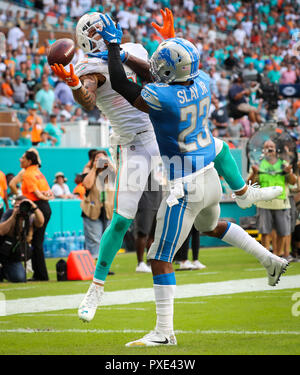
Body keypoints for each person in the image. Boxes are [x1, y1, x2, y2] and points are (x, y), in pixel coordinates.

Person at [87, 15, 289, 347]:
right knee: (212, 227)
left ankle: (164, 332)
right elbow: (171, 67)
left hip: (185, 187)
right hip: (209, 176)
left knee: (160, 258)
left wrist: (112, 47)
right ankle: (269, 256)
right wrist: (143, 49)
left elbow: (124, 87)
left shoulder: (162, 99)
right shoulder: (204, 81)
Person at [50, 11, 161, 316]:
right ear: (87, 38)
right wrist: (74, 85)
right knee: (123, 219)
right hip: (133, 144)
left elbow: (156, 77)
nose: (104, 32)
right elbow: (87, 97)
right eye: (97, 31)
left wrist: (122, 50)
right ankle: (95, 289)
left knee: (200, 205)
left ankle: (249, 208)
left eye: (104, 27)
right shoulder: (89, 66)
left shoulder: (135, 48)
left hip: (162, 134)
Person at [247, 140, 297, 257]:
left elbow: (293, 182)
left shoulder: (283, 163)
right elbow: (250, 183)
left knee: (282, 232)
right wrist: (254, 173)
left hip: (281, 202)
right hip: (263, 203)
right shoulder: (258, 163)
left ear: (276, 149)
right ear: (263, 150)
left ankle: (278, 255)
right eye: (266, 147)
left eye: (271, 146)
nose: (269, 148)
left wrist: (288, 173)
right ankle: (267, 257)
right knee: (265, 232)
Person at [20, 150, 53, 281]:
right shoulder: (38, 173)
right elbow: (49, 192)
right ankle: (40, 274)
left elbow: (37, 194)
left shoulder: (28, 174)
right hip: (45, 207)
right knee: (37, 241)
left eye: (23, 158)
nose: (20, 159)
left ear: (29, 161)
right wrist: (46, 197)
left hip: (35, 207)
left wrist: (41, 197)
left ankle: (40, 275)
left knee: (35, 241)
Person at [0, 195, 44, 282]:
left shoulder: (29, 215)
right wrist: (13, 215)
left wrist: (34, 207)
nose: (21, 208)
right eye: (17, 205)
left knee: (20, 278)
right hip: (2, 249)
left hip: (13, 256)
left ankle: (4, 272)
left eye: (23, 205)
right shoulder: (9, 213)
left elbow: (40, 222)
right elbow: (1, 231)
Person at [81, 150, 115, 260]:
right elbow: (87, 185)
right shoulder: (89, 171)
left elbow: (119, 178)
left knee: (107, 240)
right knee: (94, 240)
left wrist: (109, 163)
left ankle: (103, 267)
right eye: (97, 158)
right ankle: (93, 267)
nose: (100, 161)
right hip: (92, 211)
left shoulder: (110, 172)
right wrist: (94, 168)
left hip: (108, 211)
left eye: (103, 158)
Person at [134, 172, 162, 273]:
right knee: (143, 232)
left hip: (158, 201)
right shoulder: (144, 160)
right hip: (145, 201)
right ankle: (140, 263)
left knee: (153, 235)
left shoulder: (159, 161)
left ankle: (150, 261)